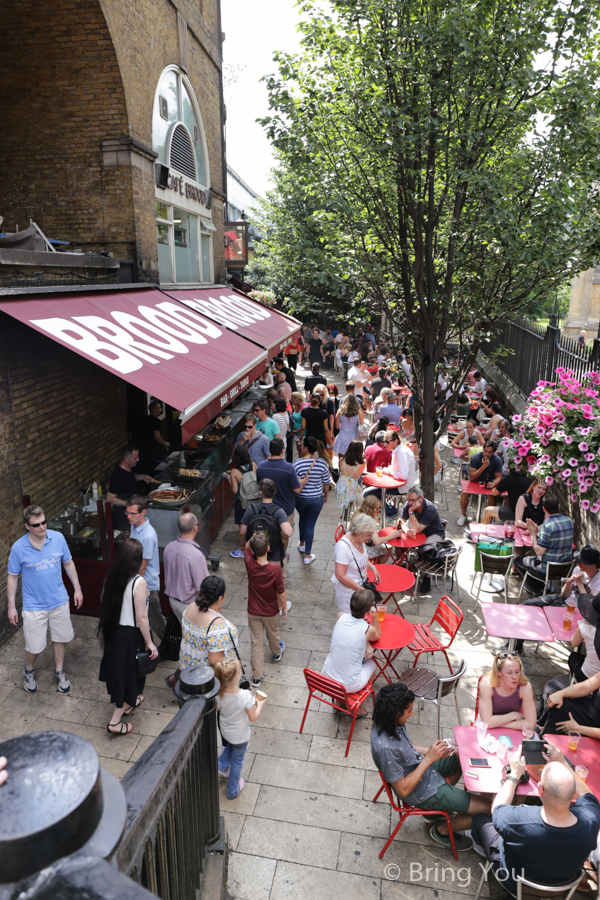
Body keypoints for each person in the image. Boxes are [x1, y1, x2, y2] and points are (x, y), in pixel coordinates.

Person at [371, 682, 491, 853]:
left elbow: (407, 748)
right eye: (409, 711)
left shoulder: (389, 723)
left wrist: (431, 752)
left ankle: (436, 812)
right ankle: (441, 831)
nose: (412, 714)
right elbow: (404, 791)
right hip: (419, 790)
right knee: (489, 809)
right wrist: (429, 759)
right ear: (395, 713)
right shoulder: (385, 748)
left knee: (460, 755)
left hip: (421, 768)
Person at [472, 740, 600, 895]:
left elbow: (497, 808)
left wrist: (513, 775)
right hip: (561, 889)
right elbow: (589, 797)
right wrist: (563, 763)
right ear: (574, 794)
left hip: (516, 883)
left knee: (480, 819)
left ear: (540, 789)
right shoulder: (591, 820)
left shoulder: (520, 820)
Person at [7, 504, 83, 694]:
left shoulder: (57, 538)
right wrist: (11, 606)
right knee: (35, 645)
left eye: (44, 522)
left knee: (60, 638)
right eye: (36, 525)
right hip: (34, 606)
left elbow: (68, 563)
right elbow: (12, 576)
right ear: (27, 526)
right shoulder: (18, 548)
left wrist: (77, 589)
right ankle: (29, 669)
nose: (42, 527)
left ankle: (59, 671)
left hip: (59, 601)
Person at [98, 538, 158, 735]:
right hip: (130, 635)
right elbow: (141, 617)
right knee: (129, 674)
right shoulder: (138, 582)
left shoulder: (111, 578)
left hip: (114, 633)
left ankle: (131, 702)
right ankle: (115, 721)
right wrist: (150, 642)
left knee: (121, 672)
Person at [215, 656, 266, 800]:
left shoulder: (219, 694)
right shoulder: (245, 696)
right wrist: (260, 705)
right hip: (240, 736)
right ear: (237, 676)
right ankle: (232, 790)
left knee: (231, 746)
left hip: (226, 732)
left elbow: (217, 710)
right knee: (237, 761)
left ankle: (221, 764)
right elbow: (253, 717)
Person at [245, 532, 288, 685]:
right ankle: (276, 653)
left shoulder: (249, 563)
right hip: (271, 611)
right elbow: (281, 591)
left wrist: (253, 538)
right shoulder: (274, 568)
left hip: (253, 611)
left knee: (256, 643)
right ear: (268, 548)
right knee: (273, 633)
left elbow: (246, 547)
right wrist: (284, 607)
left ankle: (256, 676)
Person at [322, 589, 381, 693]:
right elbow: (378, 636)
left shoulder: (340, 616)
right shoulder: (368, 629)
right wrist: (375, 617)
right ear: (367, 610)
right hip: (349, 685)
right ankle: (360, 703)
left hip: (326, 676)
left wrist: (366, 643)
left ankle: (339, 701)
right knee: (372, 664)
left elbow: (348, 635)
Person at [179, 575, 238, 673]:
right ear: (220, 598)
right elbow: (215, 661)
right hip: (207, 679)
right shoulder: (217, 627)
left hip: (188, 670)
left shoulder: (190, 607)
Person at [126, 495, 166, 640]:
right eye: (127, 513)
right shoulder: (134, 525)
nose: (128, 516)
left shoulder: (148, 536)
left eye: (132, 513)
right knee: (142, 618)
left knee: (156, 621)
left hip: (148, 584)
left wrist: (135, 587)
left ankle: (170, 644)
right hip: (138, 580)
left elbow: (142, 567)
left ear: (143, 512)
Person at [512, 495, 573, 586]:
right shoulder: (569, 521)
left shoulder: (547, 526)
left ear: (544, 509)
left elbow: (539, 551)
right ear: (559, 507)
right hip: (565, 569)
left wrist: (532, 533)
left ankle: (537, 588)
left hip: (547, 571)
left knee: (517, 560)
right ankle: (542, 587)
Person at [163, 513, 209, 623]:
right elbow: (202, 589)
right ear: (195, 528)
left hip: (173, 602)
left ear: (178, 528)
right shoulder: (196, 556)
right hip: (189, 606)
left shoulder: (169, 547)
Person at [332, 513, 381, 614]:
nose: (371, 537)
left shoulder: (359, 540)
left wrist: (372, 567)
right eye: (368, 535)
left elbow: (360, 558)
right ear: (358, 533)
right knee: (348, 619)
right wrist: (359, 589)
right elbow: (340, 575)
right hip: (348, 592)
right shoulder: (343, 547)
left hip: (358, 587)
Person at [293, 436, 331, 564]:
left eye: (302, 445)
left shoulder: (297, 463)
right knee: (310, 525)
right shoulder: (322, 463)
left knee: (302, 519)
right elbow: (326, 483)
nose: (300, 446)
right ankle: (308, 555)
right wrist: (326, 495)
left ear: (306, 448)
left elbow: (294, 483)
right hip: (316, 499)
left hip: (301, 499)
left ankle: (302, 543)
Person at [238, 478, 294, 565]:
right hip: (275, 556)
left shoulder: (251, 509)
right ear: (275, 492)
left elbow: (242, 532)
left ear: (260, 492)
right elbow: (288, 533)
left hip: (255, 556)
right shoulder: (279, 511)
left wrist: (242, 545)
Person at [257, 437, 303, 539]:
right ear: (283, 450)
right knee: (284, 537)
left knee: (267, 537)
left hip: (266, 509)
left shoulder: (260, 466)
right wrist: (302, 482)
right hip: (285, 510)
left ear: (269, 449)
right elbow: (297, 489)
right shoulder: (289, 468)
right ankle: (282, 554)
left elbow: (259, 485)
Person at [478, 652, 537, 730]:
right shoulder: (486, 684)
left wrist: (499, 725)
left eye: (517, 672)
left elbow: (530, 723)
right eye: (509, 673)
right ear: (499, 672)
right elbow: (486, 722)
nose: (514, 677)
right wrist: (513, 715)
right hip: (489, 729)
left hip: (512, 727)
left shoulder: (525, 687)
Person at [456, 441, 503, 527]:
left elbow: (499, 477)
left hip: (489, 482)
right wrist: (483, 466)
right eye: (485, 451)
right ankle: (463, 515)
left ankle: (490, 519)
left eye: (490, 452)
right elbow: (472, 477)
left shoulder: (497, 460)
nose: (486, 454)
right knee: (464, 492)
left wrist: (493, 483)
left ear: (493, 452)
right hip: (475, 481)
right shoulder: (475, 457)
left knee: (493, 495)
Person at [107, 444, 153, 529]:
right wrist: (130, 504)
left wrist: (143, 477)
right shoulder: (118, 475)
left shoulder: (127, 470)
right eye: (135, 458)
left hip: (132, 513)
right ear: (126, 459)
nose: (138, 460)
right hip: (124, 517)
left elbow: (129, 477)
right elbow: (110, 498)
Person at [226, 444, 258, 554]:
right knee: (253, 523)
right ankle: (255, 545)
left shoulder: (234, 471)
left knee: (243, 526)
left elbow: (235, 490)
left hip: (241, 501)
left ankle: (243, 549)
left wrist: (229, 479)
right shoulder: (253, 465)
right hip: (254, 499)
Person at [352, 497, 401, 563]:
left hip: (352, 547)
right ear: (370, 509)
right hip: (360, 550)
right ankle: (377, 566)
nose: (379, 509)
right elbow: (377, 541)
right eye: (377, 508)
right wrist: (393, 535)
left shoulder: (358, 514)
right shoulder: (371, 521)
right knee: (389, 548)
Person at [569, 591, 600, 682]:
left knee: (573, 657)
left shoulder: (586, 626)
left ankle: (575, 686)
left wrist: (582, 624)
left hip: (587, 677)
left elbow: (574, 643)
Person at [383, 430, 416, 497]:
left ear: (396, 441)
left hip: (402, 487)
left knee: (370, 492)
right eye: (384, 441)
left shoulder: (401, 453)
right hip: (397, 483)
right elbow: (394, 467)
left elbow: (403, 476)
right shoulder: (397, 450)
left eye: (387, 442)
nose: (385, 444)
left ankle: (389, 508)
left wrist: (388, 472)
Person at [336, 441, 366, 511]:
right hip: (353, 488)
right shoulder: (362, 464)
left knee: (347, 486)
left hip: (341, 487)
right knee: (354, 488)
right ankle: (349, 509)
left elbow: (340, 471)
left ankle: (346, 510)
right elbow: (359, 474)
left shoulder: (341, 460)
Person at [140, 399, 170, 467]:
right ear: (154, 409)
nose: (161, 410)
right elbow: (157, 436)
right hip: (155, 451)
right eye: (159, 408)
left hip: (146, 451)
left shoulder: (145, 420)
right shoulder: (156, 421)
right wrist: (165, 443)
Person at [334, 392, 363, 458]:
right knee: (353, 458)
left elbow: (336, 426)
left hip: (342, 436)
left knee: (341, 458)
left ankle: (341, 468)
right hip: (354, 437)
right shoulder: (359, 412)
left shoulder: (339, 411)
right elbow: (362, 426)